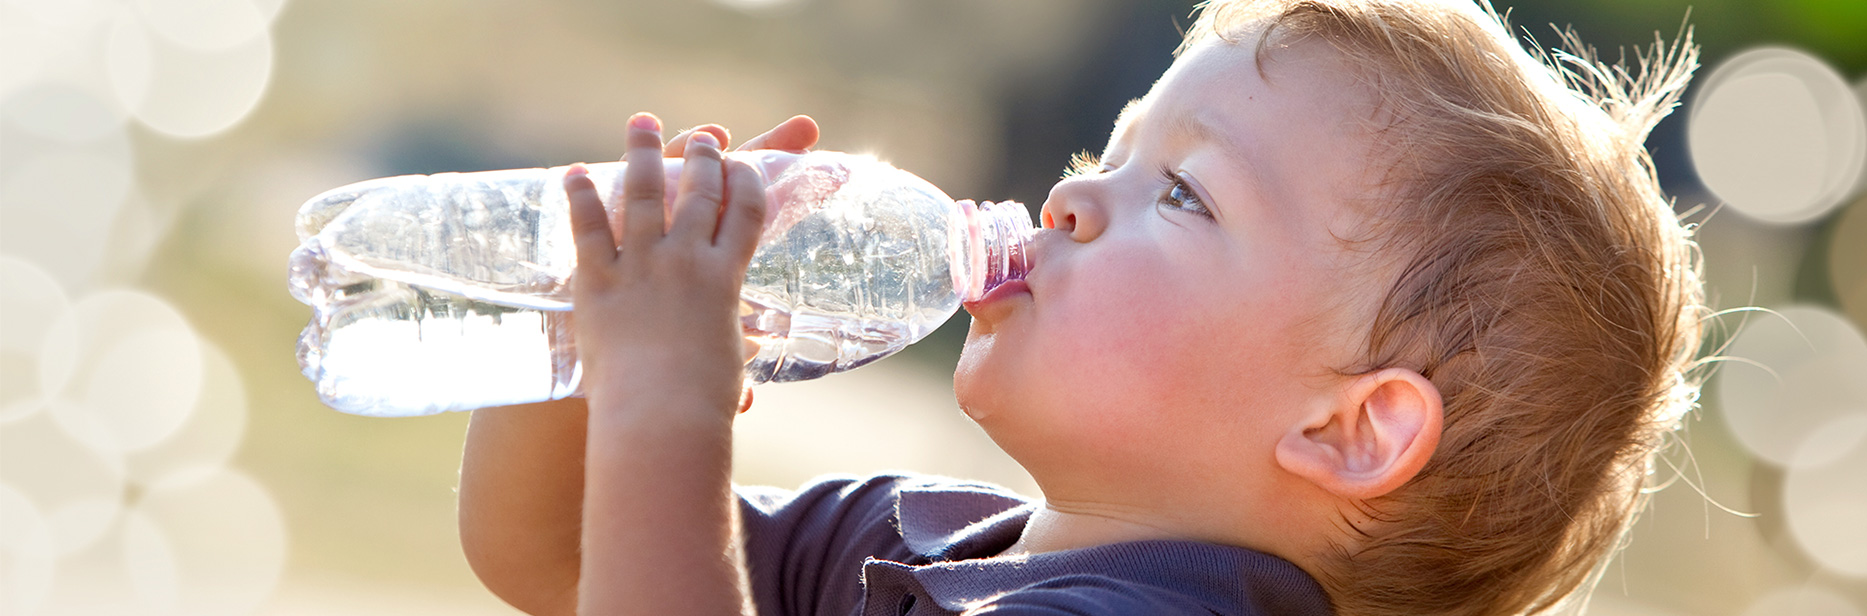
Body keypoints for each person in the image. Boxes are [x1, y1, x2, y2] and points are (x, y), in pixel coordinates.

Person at [456, 0, 1708, 614]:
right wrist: (587, 330)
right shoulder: (930, 542)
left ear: (1348, 429)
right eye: (1102, 154)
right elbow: (556, 551)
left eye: (1181, 193)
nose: (1067, 204)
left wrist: (668, 404)